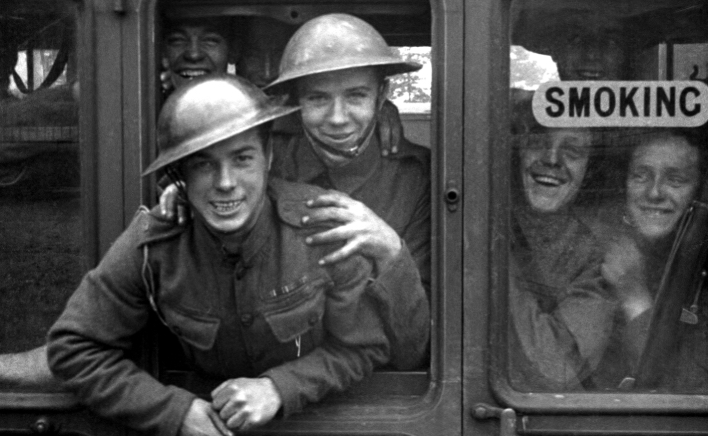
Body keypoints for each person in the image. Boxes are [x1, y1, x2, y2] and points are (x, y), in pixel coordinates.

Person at [46, 75, 390, 435]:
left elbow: (364, 347)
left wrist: (281, 387)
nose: (225, 182)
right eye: (203, 165)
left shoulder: (323, 228)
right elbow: (73, 349)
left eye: (242, 159)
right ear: (180, 174)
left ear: (268, 157)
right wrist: (175, 413)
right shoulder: (154, 244)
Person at [162, 13, 431, 370]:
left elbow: (419, 348)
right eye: (318, 98)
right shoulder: (264, 160)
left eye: (356, 95)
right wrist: (184, 193)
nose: (338, 117)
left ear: (382, 95)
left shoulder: (417, 177)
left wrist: (391, 251)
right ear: (296, 100)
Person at [508, 108, 614, 390]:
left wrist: (486, 254)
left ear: (589, 171)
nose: (552, 159)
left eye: (572, 151)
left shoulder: (596, 255)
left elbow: (556, 368)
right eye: (538, 143)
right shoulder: (490, 219)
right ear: (518, 153)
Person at [596, 128, 707, 390]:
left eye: (675, 180)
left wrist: (634, 297)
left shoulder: (700, 272)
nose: (654, 192)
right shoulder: (594, 249)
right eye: (641, 175)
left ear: (698, 192)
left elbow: (679, 394)